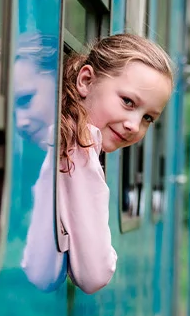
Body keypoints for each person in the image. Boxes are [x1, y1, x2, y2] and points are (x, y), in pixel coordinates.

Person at [51, 33, 174, 294]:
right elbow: (94, 274)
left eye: (148, 118)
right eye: (128, 102)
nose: (134, 126)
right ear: (86, 80)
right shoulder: (79, 147)